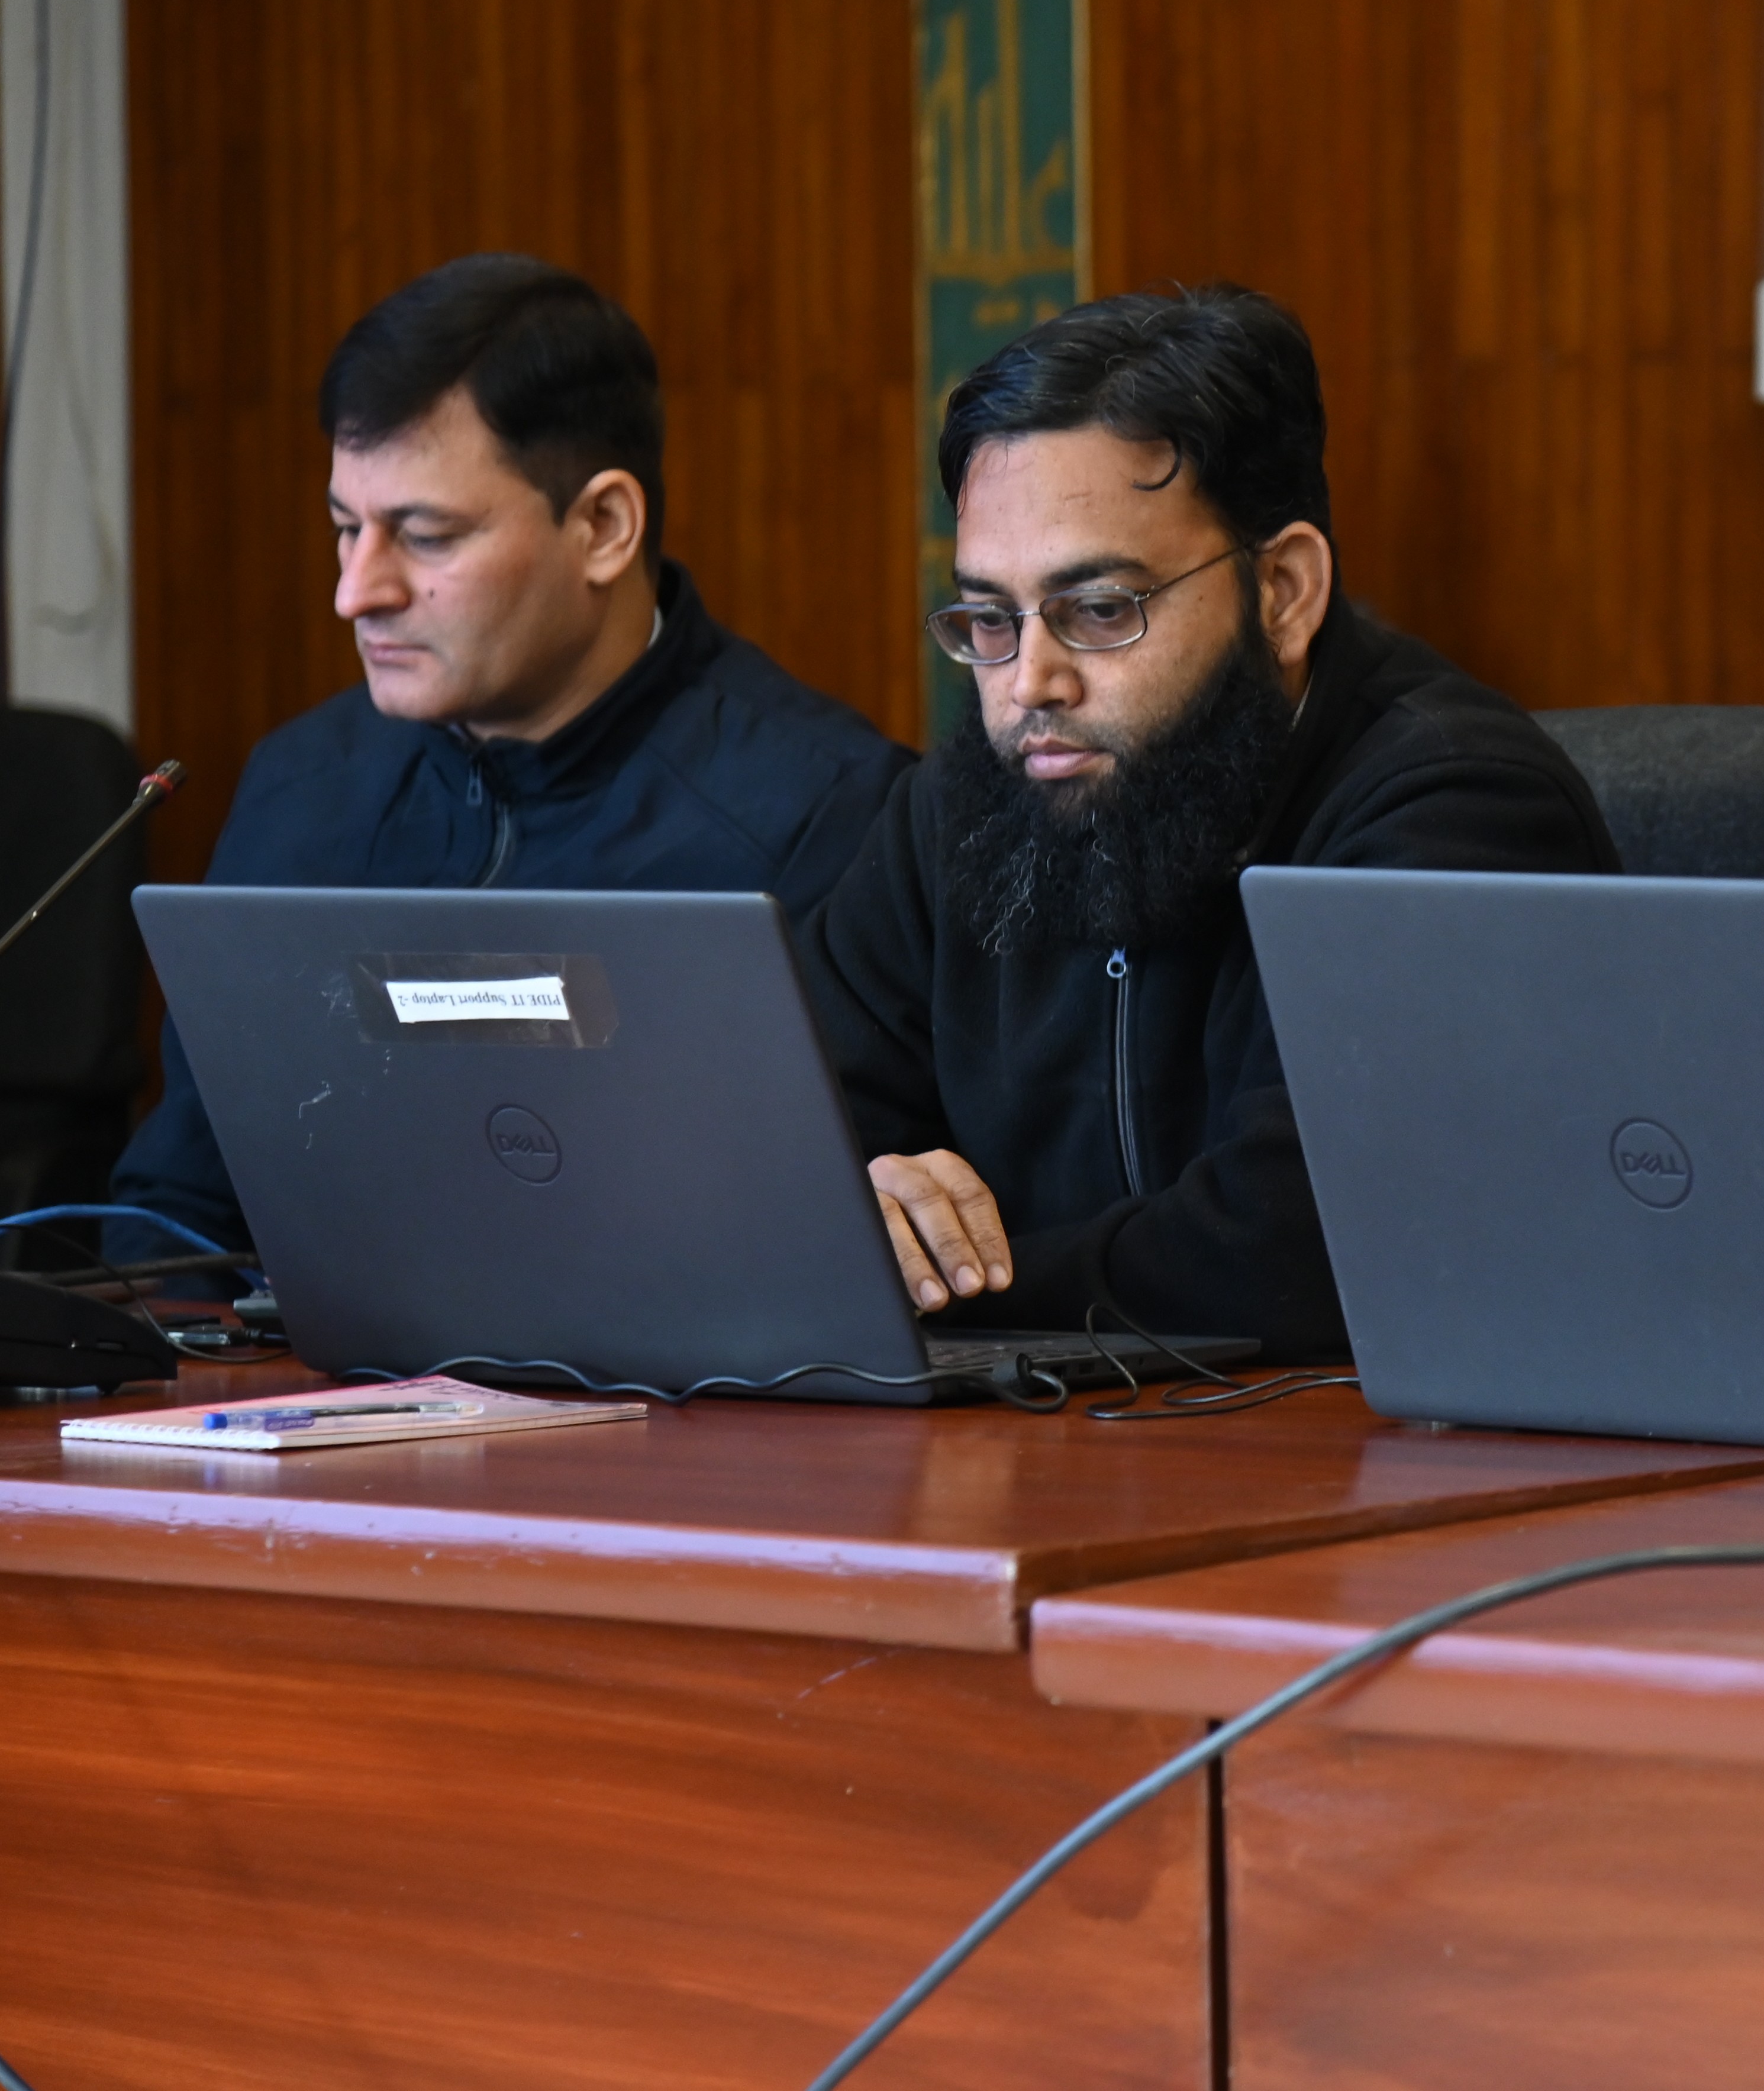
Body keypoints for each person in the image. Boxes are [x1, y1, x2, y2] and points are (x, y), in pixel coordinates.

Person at [797, 285, 1617, 1361]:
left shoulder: (1457, 810)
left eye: (1099, 609)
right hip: (1032, 1468)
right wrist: (862, 1211)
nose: (1028, 682)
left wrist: (925, 1282)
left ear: (1281, 590)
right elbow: (779, 1153)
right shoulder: (964, 807)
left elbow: (1288, 1251)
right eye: (990, 618)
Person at [109, 255, 914, 1260]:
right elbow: (175, 1216)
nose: (356, 593)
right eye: (345, 530)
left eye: (425, 536)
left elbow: (852, 1241)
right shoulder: (299, 793)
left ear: (603, 527)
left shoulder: (821, 816)